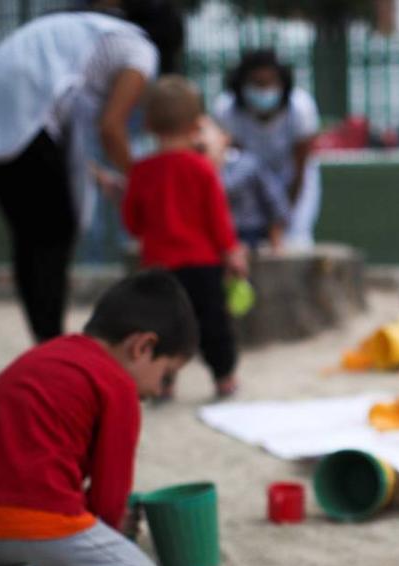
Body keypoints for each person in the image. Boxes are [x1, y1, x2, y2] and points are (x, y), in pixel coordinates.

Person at [0, 270, 197, 566]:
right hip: (33, 522)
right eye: (167, 375)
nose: (162, 390)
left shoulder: (43, 355)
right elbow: (109, 498)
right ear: (142, 347)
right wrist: (116, 530)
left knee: (43, 540)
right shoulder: (117, 385)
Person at [0, 0, 183, 343]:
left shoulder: (95, 31)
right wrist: (143, 182)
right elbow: (111, 128)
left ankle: (44, 338)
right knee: (53, 231)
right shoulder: (140, 48)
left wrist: (96, 174)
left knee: (33, 234)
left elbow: (66, 126)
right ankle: (51, 339)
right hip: (19, 115)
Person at [123, 75, 247, 399]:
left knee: (162, 328)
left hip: (158, 267)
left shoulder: (141, 171)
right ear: (196, 124)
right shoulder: (202, 168)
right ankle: (224, 378)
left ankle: (163, 382)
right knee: (213, 324)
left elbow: (133, 224)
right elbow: (218, 219)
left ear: (148, 125)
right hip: (202, 265)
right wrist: (231, 252)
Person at [214, 49, 320, 247]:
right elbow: (233, 166)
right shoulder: (226, 110)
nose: (264, 89)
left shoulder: (301, 108)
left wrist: (283, 217)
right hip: (249, 182)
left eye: (270, 82)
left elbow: (300, 168)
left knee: (295, 241)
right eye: (257, 83)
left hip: (292, 177)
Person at [196, 115, 289, 251]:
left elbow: (275, 200)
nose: (197, 138)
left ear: (225, 137)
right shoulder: (193, 171)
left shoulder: (248, 165)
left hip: (248, 235)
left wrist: (276, 239)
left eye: (202, 130)